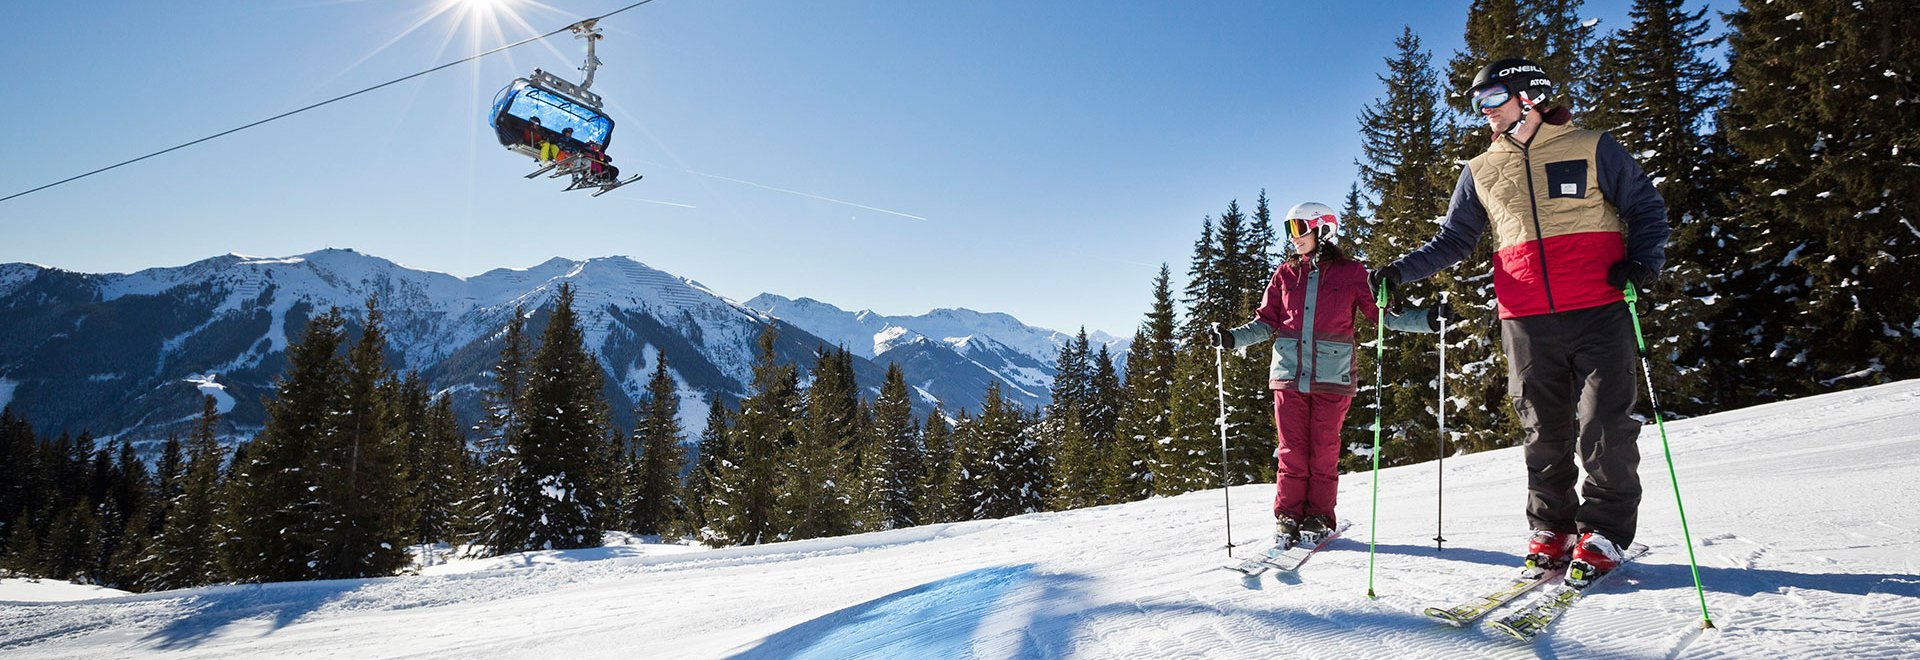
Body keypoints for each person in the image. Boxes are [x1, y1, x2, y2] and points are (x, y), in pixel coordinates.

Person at [1370, 57, 1670, 582]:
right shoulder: (1481, 170)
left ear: (1528, 96)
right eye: (1476, 104)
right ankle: (1552, 526)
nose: (1482, 113)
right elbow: (1455, 241)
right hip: (1525, 315)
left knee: (1604, 423)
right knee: (1543, 428)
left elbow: (1646, 208)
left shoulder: (1593, 147)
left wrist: (1644, 262)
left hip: (1598, 306)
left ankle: (1604, 529)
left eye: (1490, 100)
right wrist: (1399, 272)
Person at [1212, 202, 1445, 548]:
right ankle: (1288, 516)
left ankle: (1319, 516)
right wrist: (1231, 338)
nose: (1293, 238)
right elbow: (1266, 322)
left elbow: (1382, 316)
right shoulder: (1285, 275)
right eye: (1289, 230)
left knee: (1322, 452)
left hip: (1332, 377)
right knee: (1291, 451)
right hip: (1289, 376)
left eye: (1299, 228)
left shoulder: (1352, 273)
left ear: (1322, 229)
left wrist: (1427, 320)